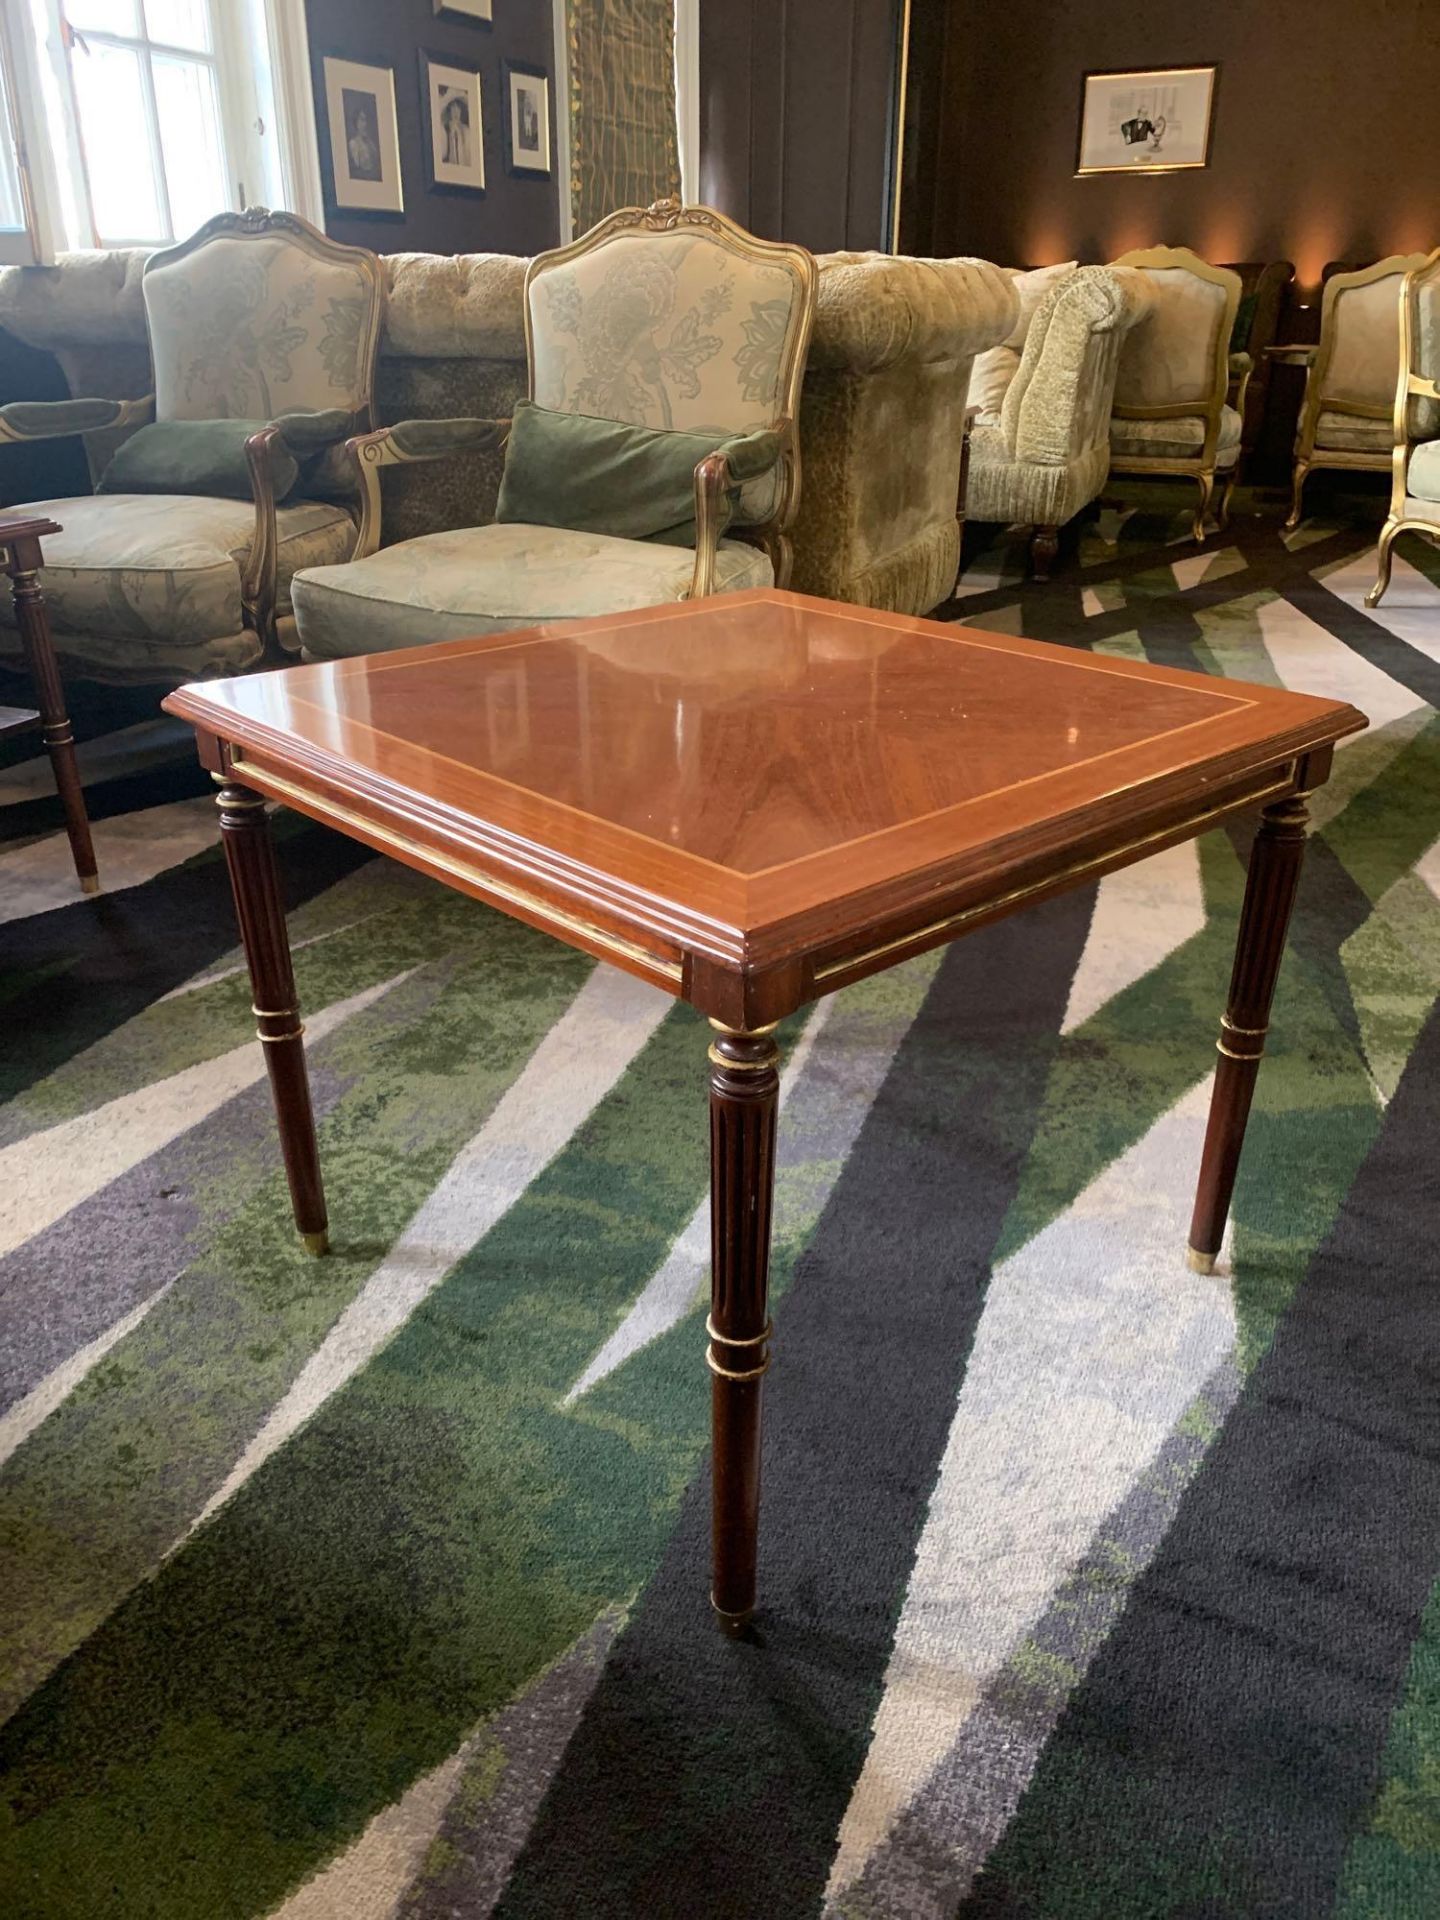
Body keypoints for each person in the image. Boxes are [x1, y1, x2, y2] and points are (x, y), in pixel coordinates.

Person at [347, 101, 380, 180]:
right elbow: (357, 164)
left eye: (365, 120)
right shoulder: (353, 143)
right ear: (356, 123)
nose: (364, 124)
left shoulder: (371, 143)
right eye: (362, 120)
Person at [442, 94, 472, 170]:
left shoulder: (466, 130)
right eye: (453, 108)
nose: (456, 111)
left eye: (458, 108)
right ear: (449, 111)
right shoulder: (445, 129)